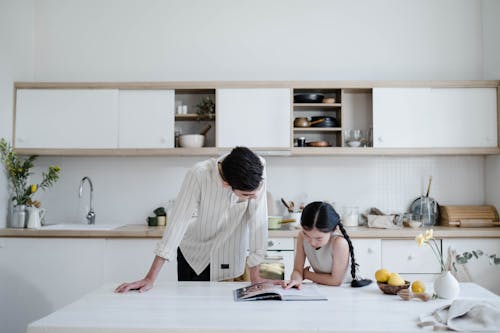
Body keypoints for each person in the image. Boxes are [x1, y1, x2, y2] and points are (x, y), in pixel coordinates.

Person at [115, 147, 269, 293]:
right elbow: (178, 223)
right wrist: (150, 278)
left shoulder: (257, 169)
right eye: (246, 196)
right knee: (191, 314)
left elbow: (258, 222)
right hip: (194, 256)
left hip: (229, 257)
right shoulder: (198, 174)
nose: (253, 197)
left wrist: (255, 276)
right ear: (226, 185)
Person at [283, 201, 372, 289]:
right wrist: (296, 281)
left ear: (334, 230)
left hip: (346, 289)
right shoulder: (301, 237)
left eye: (319, 238)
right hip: (324, 287)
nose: (312, 242)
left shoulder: (339, 243)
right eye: (307, 235)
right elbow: (297, 270)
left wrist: (306, 274)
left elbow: (336, 281)